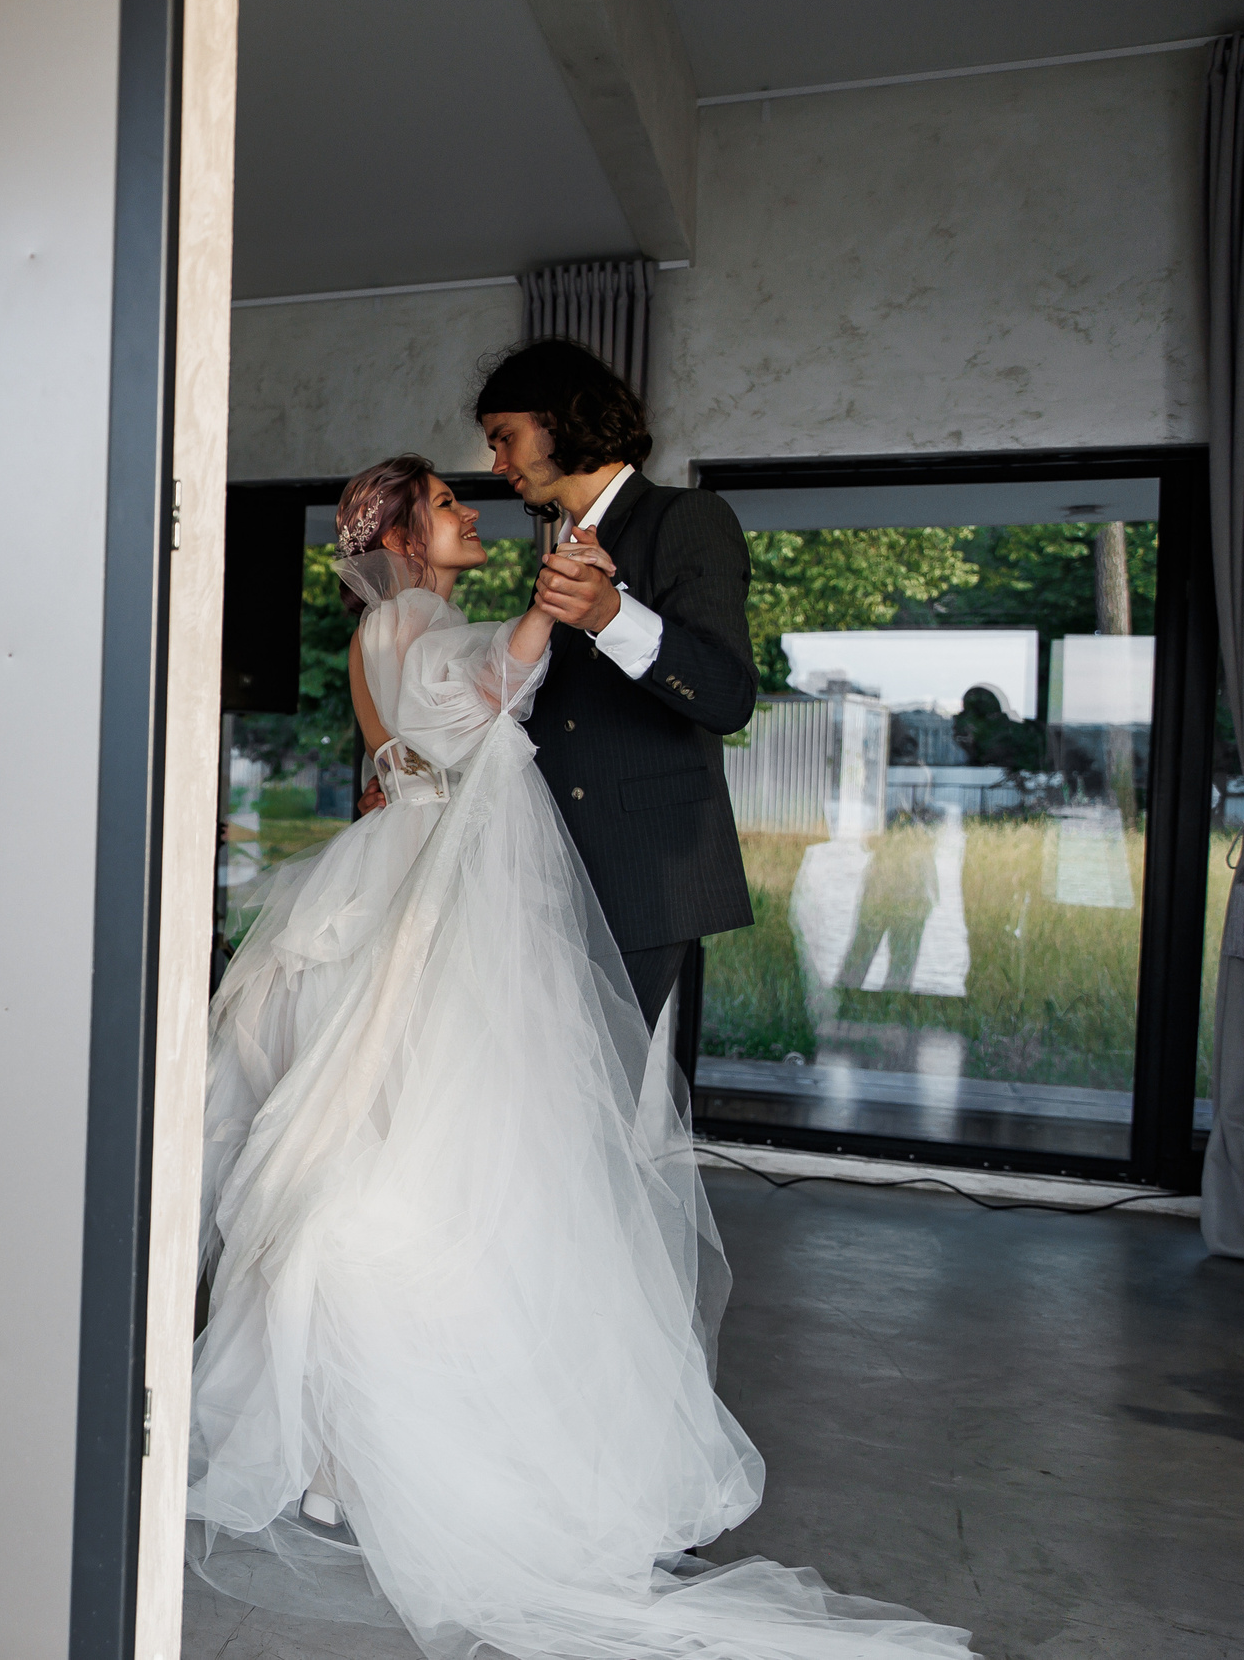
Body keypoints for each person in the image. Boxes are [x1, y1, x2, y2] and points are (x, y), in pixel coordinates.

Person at [187, 454, 972, 1659]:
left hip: (427, 885)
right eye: (451, 504)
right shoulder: (409, 614)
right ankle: (377, 1433)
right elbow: (476, 701)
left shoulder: (408, 620)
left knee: (430, 1146)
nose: (473, 514)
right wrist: (554, 614)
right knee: (430, 1157)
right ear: (401, 529)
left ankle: (355, 1436)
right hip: (433, 898)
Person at [477, 338, 757, 1031]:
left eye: (505, 438)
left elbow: (726, 694)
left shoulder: (686, 518)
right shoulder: (559, 547)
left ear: (559, 419)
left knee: (590, 1107)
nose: (498, 464)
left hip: (644, 870)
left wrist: (612, 613)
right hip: (547, 870)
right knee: (543, 1098)